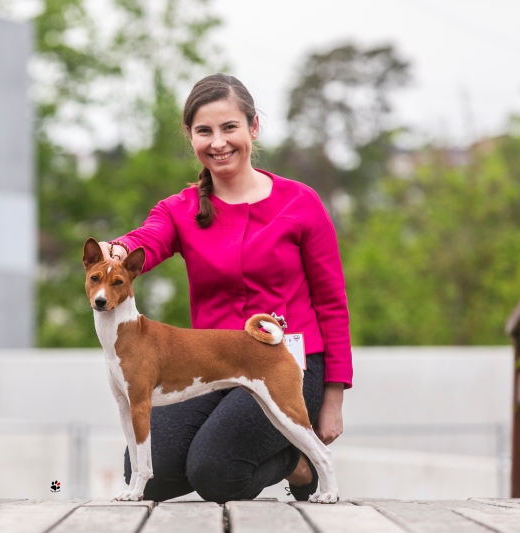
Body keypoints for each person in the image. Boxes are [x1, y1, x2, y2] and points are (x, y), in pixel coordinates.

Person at [99, 73, 352, 503]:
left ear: (253, 128)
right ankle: (266, 449)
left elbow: (332, 303)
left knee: (216, 472)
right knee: (147, 473)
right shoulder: (178, 209)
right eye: (204, 131)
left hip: (287, 361)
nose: (218, 142)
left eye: (229, 127)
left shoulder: (301, 203)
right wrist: (118, 249)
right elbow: (148, 239)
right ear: (190, 137)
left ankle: (298, 463)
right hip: (211, 362)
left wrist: (333, 399)